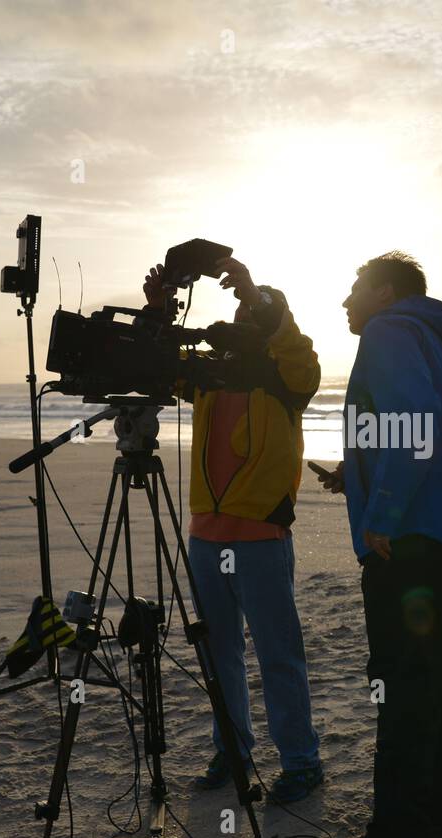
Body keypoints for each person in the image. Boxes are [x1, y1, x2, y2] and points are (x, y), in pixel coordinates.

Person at [313, 251, 442, 838]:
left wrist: (382, 511)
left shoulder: (387, 331)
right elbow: (435, 431)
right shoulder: (437, 342)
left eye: (355, 287)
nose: (345, 300)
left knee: (404, 688)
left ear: (386, 293)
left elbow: (414, 429)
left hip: (414, 542)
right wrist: (357, 474)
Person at [142, 256, 324, 804]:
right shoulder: (212, 373)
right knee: (218, 652)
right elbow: (155, 364)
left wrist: (264, 300)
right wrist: (157, 310)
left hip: (261, 535)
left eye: (254, 311)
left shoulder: (288, 373)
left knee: (277, 654)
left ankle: (301, 762)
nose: (243, 318)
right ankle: (233, 748)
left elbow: (294, 348)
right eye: (240, 308)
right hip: (205, 533)